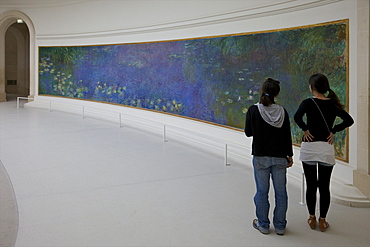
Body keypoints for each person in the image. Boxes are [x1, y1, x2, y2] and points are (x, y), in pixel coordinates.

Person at [294, 73, 354, 232]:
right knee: (324, 186)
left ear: (311, 88)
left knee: (311, 185)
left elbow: (297, 117)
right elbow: (349, 120)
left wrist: (305, 129)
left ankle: (311, 218)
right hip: (326, 149)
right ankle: (322, 221)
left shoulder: (308, 102)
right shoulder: (333, 104)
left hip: (309, 148)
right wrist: (334, 130)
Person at [245, 78, 293, 236]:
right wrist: (290, 156)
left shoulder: (253, 110)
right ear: (276, 94)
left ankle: (263, 225)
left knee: (261, 191)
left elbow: (248, 132)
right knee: (281, 193)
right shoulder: (282, 111)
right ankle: (280, 226)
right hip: (280, 157)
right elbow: (287, 136)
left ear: (261, 91)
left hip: (260, 157)